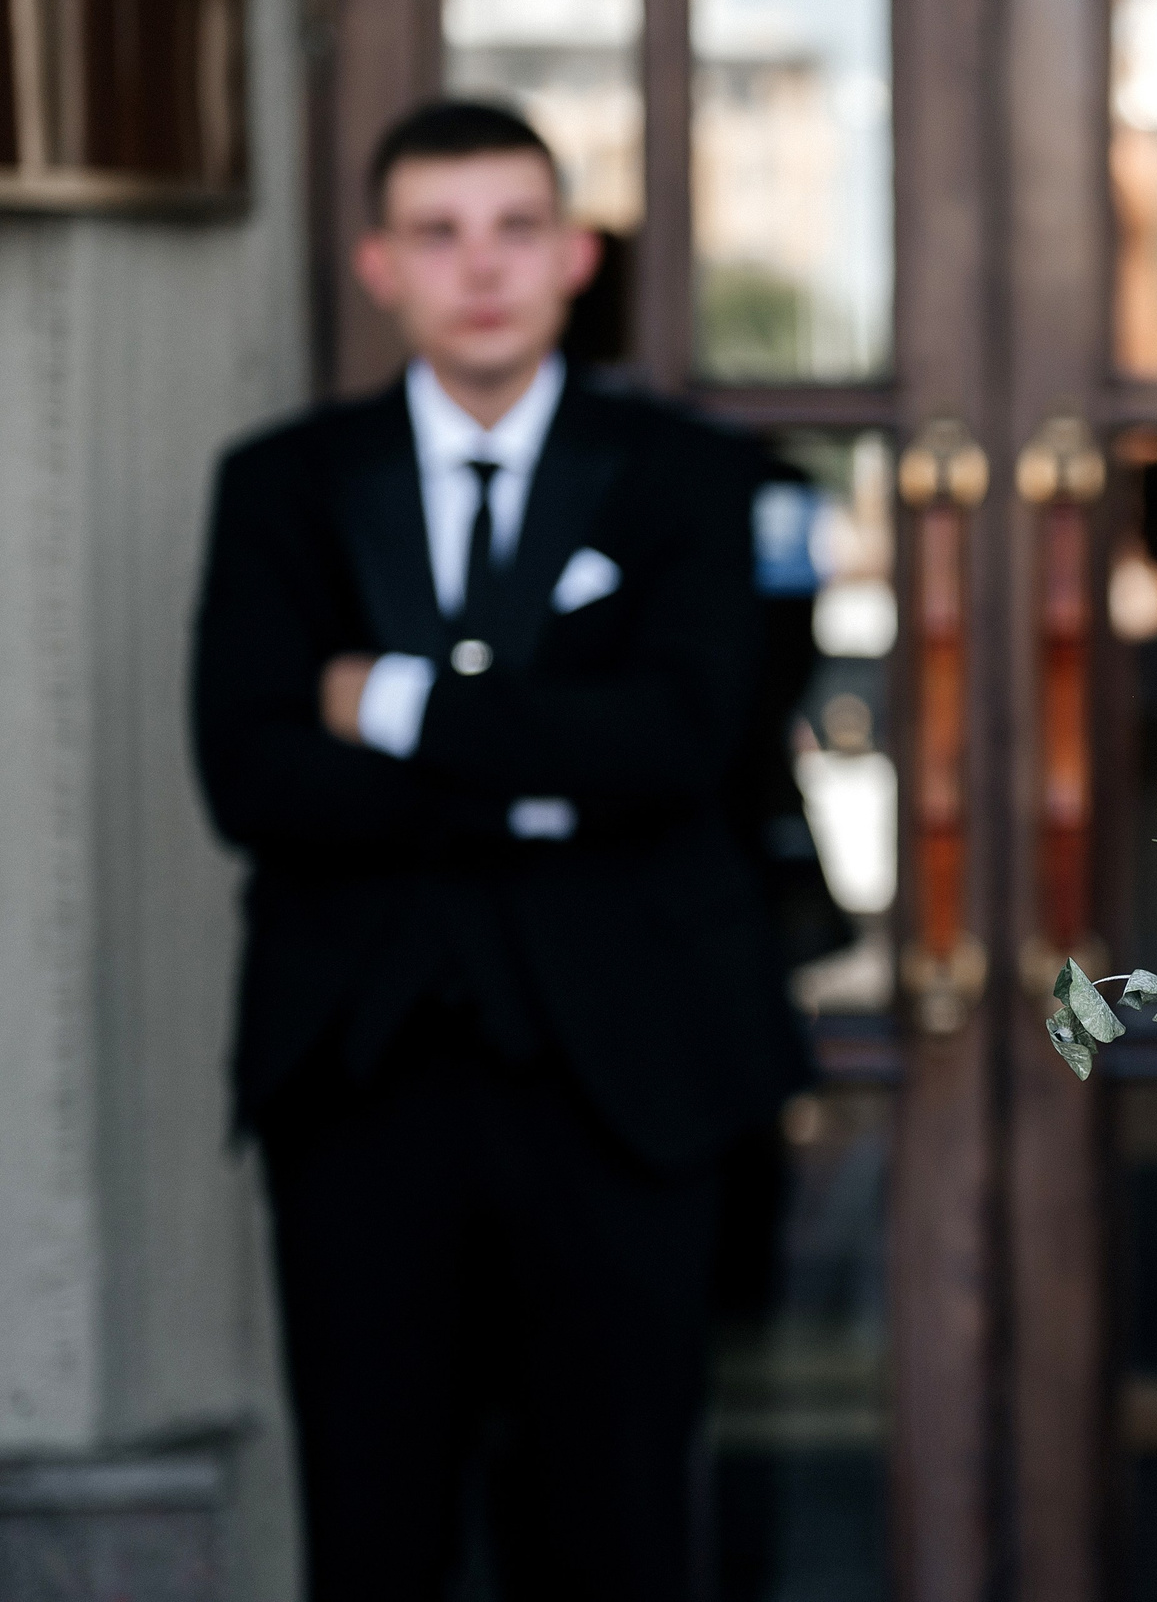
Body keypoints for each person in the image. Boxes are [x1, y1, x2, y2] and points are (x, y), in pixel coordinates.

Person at [190, 101, 805, 1601]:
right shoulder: (281, 483)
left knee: (617, 1527)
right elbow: (253, 773)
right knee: (373, 1522)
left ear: (575, 258)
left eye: (515, 229)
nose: (482, 268)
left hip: (631, 1076)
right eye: (439, 233)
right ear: (379, 264)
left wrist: (394, 703)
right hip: (359, 1069)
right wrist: (546, 771)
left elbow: (679, 747)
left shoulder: (694, 479)